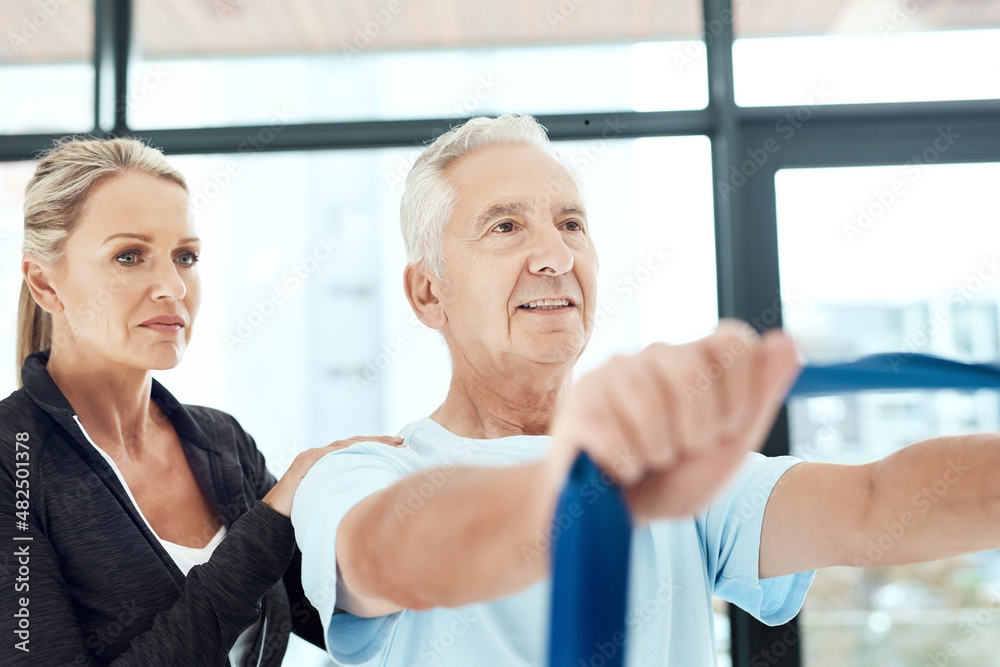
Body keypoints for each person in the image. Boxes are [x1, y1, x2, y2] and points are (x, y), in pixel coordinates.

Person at [291, 114, 1000, 666]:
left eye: (571, 223)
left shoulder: (677, 472)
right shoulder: (361, 474)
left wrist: (617, 464)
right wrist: (593, 474)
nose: (556, 255)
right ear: (427, 290)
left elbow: (876, 503)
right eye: (505, 226)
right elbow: (397, 554)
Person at [0, 137, 402, 666]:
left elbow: (328, 615)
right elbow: (255, 558)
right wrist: (272, 519)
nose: (172, 286)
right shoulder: (13, 460)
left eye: (185, 257)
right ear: (46, 283)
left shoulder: (221, 440)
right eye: (129, 256)